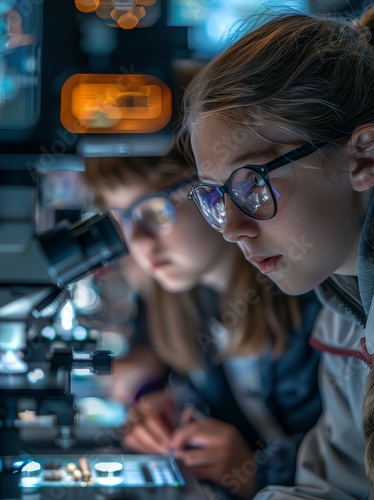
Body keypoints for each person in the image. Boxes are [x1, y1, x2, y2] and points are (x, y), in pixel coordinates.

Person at [179, 5, 374, 499]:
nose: (232, 229)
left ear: (364, 156)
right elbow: (333, 487)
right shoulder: (340, 312)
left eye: (252, 183)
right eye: (215, 197)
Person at [82, 148, 322, 499]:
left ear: (213, 187)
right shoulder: (178, 303)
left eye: (155, 211)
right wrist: (159, 407)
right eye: (122, 220)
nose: (141, 242)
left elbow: (353, 451)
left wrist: (257, 473)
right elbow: (164, 373)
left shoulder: (308, 295)